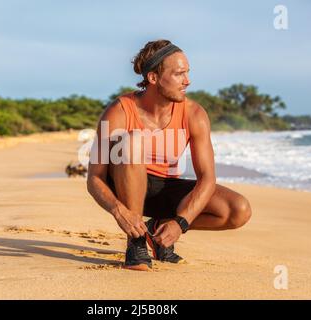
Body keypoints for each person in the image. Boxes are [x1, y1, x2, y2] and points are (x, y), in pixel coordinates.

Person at [87, 40, 252, 271]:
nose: (188, 80)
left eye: (188, 73)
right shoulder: (119, 110)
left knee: (238, 210)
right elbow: (94, 178)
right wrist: (119, 211)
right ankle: (136, 242)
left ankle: (158, 228)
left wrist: (180, 223)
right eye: (179, 74)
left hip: (166, 189)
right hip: (125, 186)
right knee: (133, 140)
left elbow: (207, 178)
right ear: (153, 78)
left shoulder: (194, 114)